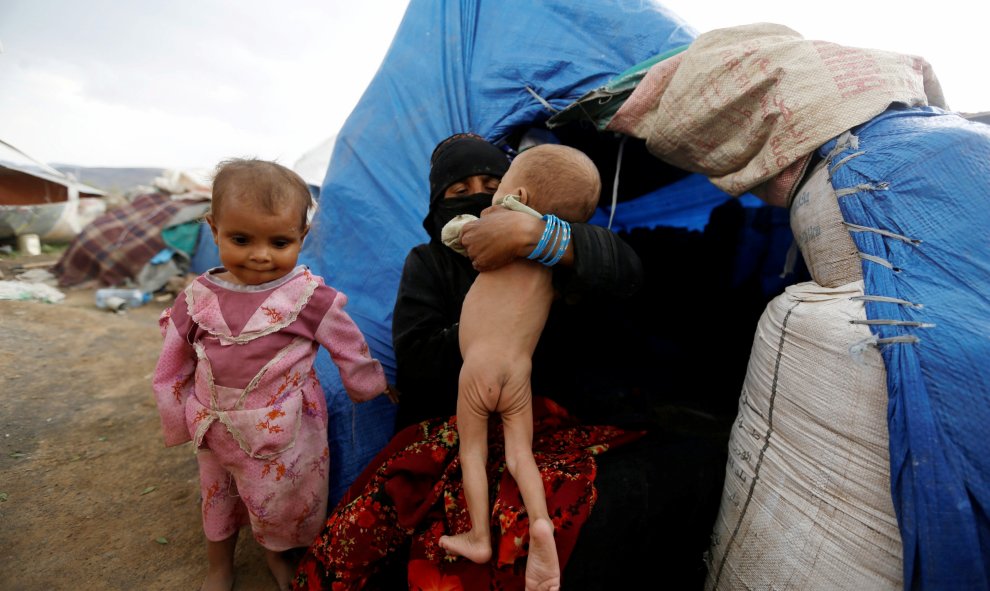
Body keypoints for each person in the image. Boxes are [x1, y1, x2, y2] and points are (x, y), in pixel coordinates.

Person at [152, 158, 389, 591]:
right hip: (214, 424)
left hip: (283, 432)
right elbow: (173, 362)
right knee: (217, 497)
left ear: (303, 236)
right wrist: (177, 415)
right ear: (214, 228)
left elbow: (349, 348)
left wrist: (370, 386)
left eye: (279, 242)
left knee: (277, 502)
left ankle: (276, 555)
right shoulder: (197, 300)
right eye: (241, 239)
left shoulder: (309, 298)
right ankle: (218, 566)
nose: (260, 255)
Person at [436, 144, 601, 591]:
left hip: (479, 368)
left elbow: (456, 234)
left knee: (474, 451)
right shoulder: (555, 254)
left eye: (498, 186)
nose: (488, 197)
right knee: (518, 455)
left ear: (519, 195)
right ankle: (542, 523)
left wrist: (479, 220)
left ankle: (479, 537)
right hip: (519, 371)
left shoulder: (500, 223)